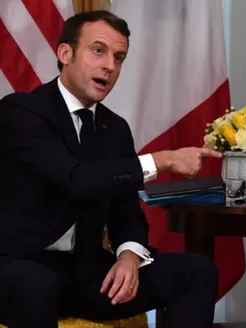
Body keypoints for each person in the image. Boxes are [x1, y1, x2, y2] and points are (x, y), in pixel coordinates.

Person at [0, 10, 221, 328]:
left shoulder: (114, 128)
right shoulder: (21, 111)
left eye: (119, 57)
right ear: (66, 53)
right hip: (20, 264)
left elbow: (126, 213)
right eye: (98, 51)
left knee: (196, 272)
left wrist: (129, 255)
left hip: (86, 273)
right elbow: (76, 180)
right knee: (37, 284)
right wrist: (163, 160)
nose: (110, 66)